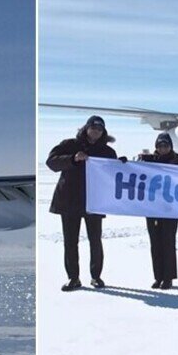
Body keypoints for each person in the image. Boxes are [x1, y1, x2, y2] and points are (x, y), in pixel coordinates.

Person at [47, 115, 118, 291]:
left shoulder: (107, 152)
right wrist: (72, 159)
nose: (96, 131)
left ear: (103, 132)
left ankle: (96, 276)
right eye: (93, 127)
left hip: (94, 201)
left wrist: (122, 163)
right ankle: (73, 278)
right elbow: (52, 162)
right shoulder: (69, 145)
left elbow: (115, 173)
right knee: (70, 241)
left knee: (95, 240)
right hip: (70, 200)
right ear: (86, 128)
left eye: (100, 129)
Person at [138, 132, 178, 289]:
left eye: (165, 145)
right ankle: (158, 276)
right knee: (155, 243)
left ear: (170, 147)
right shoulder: (148, 162)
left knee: (168, 242)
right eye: (160, 146)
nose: (163, 148)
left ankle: (168, 277)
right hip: (152, 209)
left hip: (170, 209)